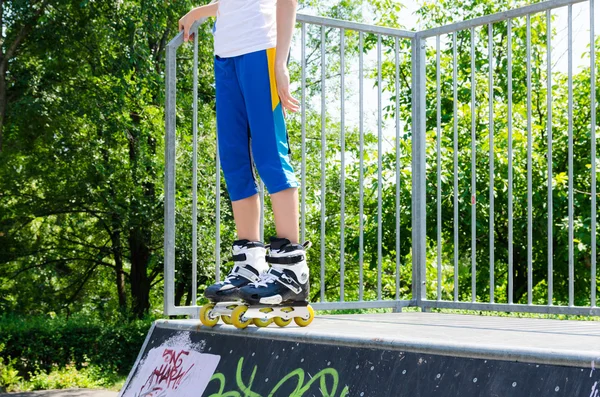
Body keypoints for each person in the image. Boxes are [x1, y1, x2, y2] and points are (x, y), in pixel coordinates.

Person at [179, 0, 312, 327]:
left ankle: (291, 269)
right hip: (225, 56)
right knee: (234, 161)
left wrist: (280, 63)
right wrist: (198, 13)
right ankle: (250, 264)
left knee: (270, 157)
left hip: (260, 50)